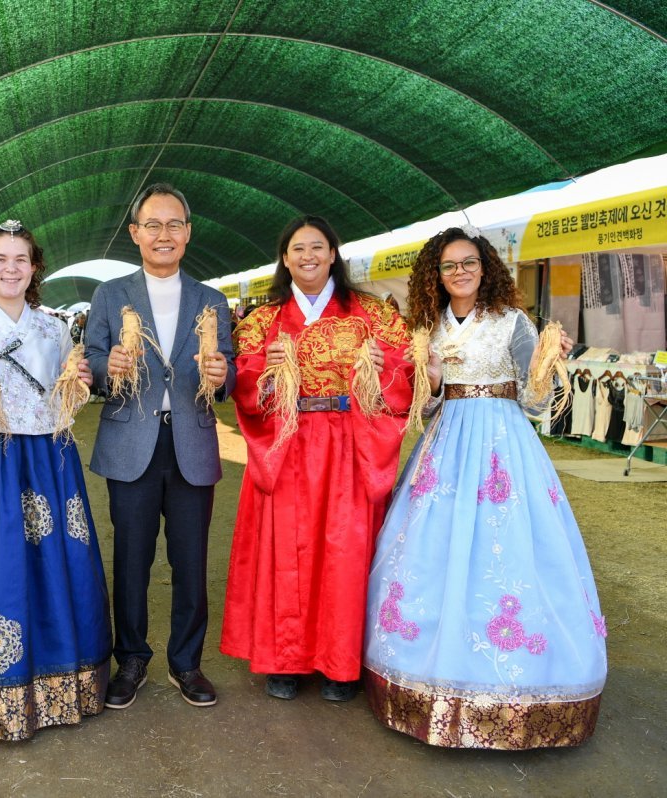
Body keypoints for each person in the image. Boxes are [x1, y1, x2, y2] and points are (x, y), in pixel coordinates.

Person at [363, 227, 607, 748]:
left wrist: (547, 360)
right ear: (436, 275)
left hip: (504, 445)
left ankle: (522, 685)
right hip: (446, 442)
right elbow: (422, 408)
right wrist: (426, 378)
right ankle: (428, 671)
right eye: (449, 265)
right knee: (433, 552)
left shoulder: (512, 321)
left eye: (468, 262)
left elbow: (536, 401)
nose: (460, 272)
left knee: (510, 552)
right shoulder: (426, 328)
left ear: (485, 265)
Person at [0, 220, 111, 741]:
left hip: (50, 458)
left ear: (35, 269)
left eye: (21, 260)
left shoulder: (54, 328)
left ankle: (63, 682)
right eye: (0, 260)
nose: (11, 269)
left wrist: (78, 388)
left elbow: (64, 404)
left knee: (58, 562)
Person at [221, 215, 414, 703]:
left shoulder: (371, 314)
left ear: (333, 254)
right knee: (284, 551)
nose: (308, 256)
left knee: (344, 550)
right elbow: (242, 382)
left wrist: (381, 367)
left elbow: (408, 367)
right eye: (298, 249)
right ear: (284, 259)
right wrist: (265, 373)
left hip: (348, 441)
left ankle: (339, 663)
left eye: (318, 247)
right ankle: (283, 661)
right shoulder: (262, 320)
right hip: (285, 441)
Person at [85, 184, 235, 709]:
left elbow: (230, 370)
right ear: (135, 234)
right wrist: (109, 369)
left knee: (191, 559)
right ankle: (130, 659)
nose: (164, 234)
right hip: (133, 441)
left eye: (174, 225)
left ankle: (186, 662)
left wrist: (222, 373)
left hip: (190, 439)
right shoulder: (111, 295)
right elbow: (92, 359)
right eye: (153, 225)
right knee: (132, 557)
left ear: (188, 234)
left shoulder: (211, 300)